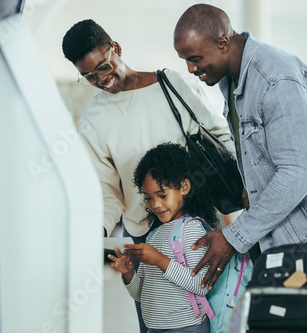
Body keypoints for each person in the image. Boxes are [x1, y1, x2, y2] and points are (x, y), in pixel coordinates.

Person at [173, 4, 307, 289]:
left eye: (195, 58)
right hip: (298, 231)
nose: (191, 69)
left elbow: (298, 173)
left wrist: (233, 237)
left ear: (223, 43)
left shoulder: (275, 79)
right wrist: (251, 183)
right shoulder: (235, 79)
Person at [61, 19, 234, 333]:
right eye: (88, 76)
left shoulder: (173, 85)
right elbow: (105, 189)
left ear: (116, 49)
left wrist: (235, 207)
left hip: (194, 231)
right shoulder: (93, 118)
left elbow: (220, 138)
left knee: (213, 313)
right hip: (145, 235)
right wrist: (97, 231)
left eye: (103, 66)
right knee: (156, 320)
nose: (101, 80)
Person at [108, 143, 217, 333]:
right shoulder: (153, 235)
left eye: (162, 195)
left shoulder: (192, 229)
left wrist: (159, 260)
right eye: (148, 198)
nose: (155, 204)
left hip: (186, 327)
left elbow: (202, 285)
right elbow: (141, 294)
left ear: (184, 186)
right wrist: (127, 273)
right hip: (154, 328)